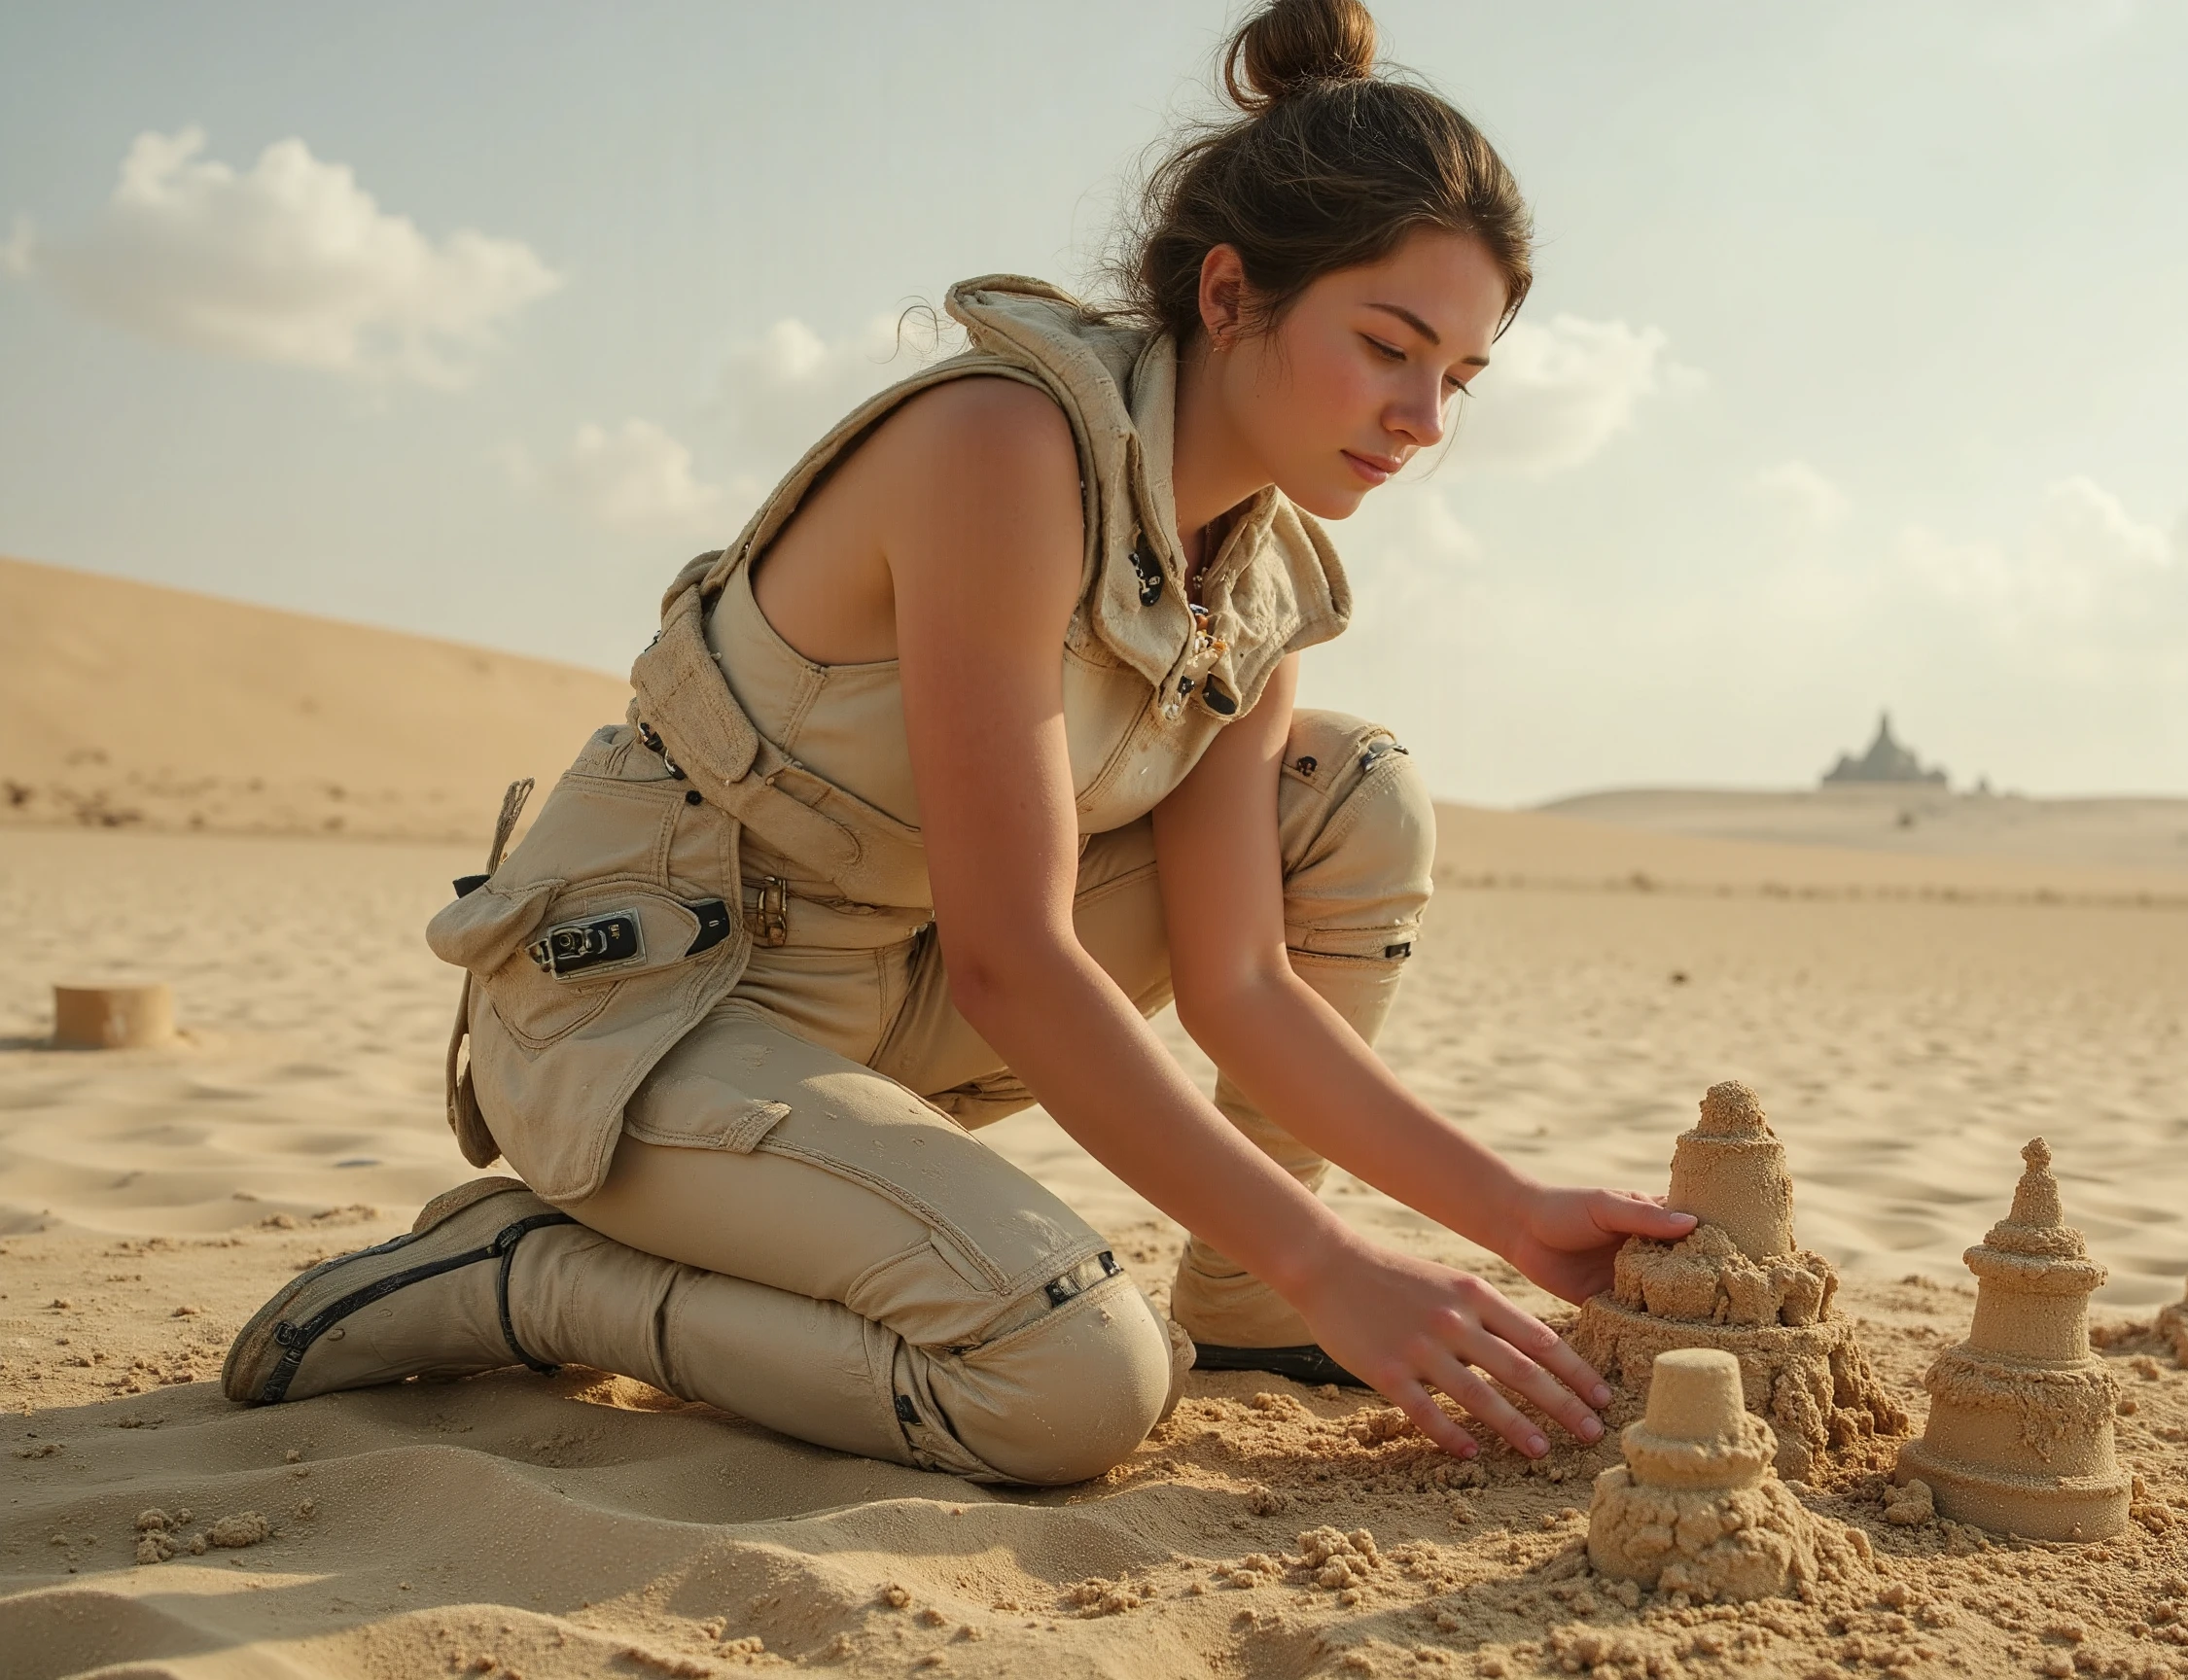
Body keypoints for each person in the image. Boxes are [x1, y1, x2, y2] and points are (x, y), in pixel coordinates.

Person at [222, 0, 1693, 1488]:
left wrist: (1510, 1214)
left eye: (1461, 376)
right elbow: (1015, 951)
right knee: (1072, 1379)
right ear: (1233, 295)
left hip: (897, 1004)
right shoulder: (1005, 444)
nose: (1425, 417)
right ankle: (525, 1278)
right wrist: (1342, 1263)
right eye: (1391, 346)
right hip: (660, 1008)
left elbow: (1240, 983)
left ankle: (1247, 1310)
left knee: (1352, 792)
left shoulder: (1266, 579)